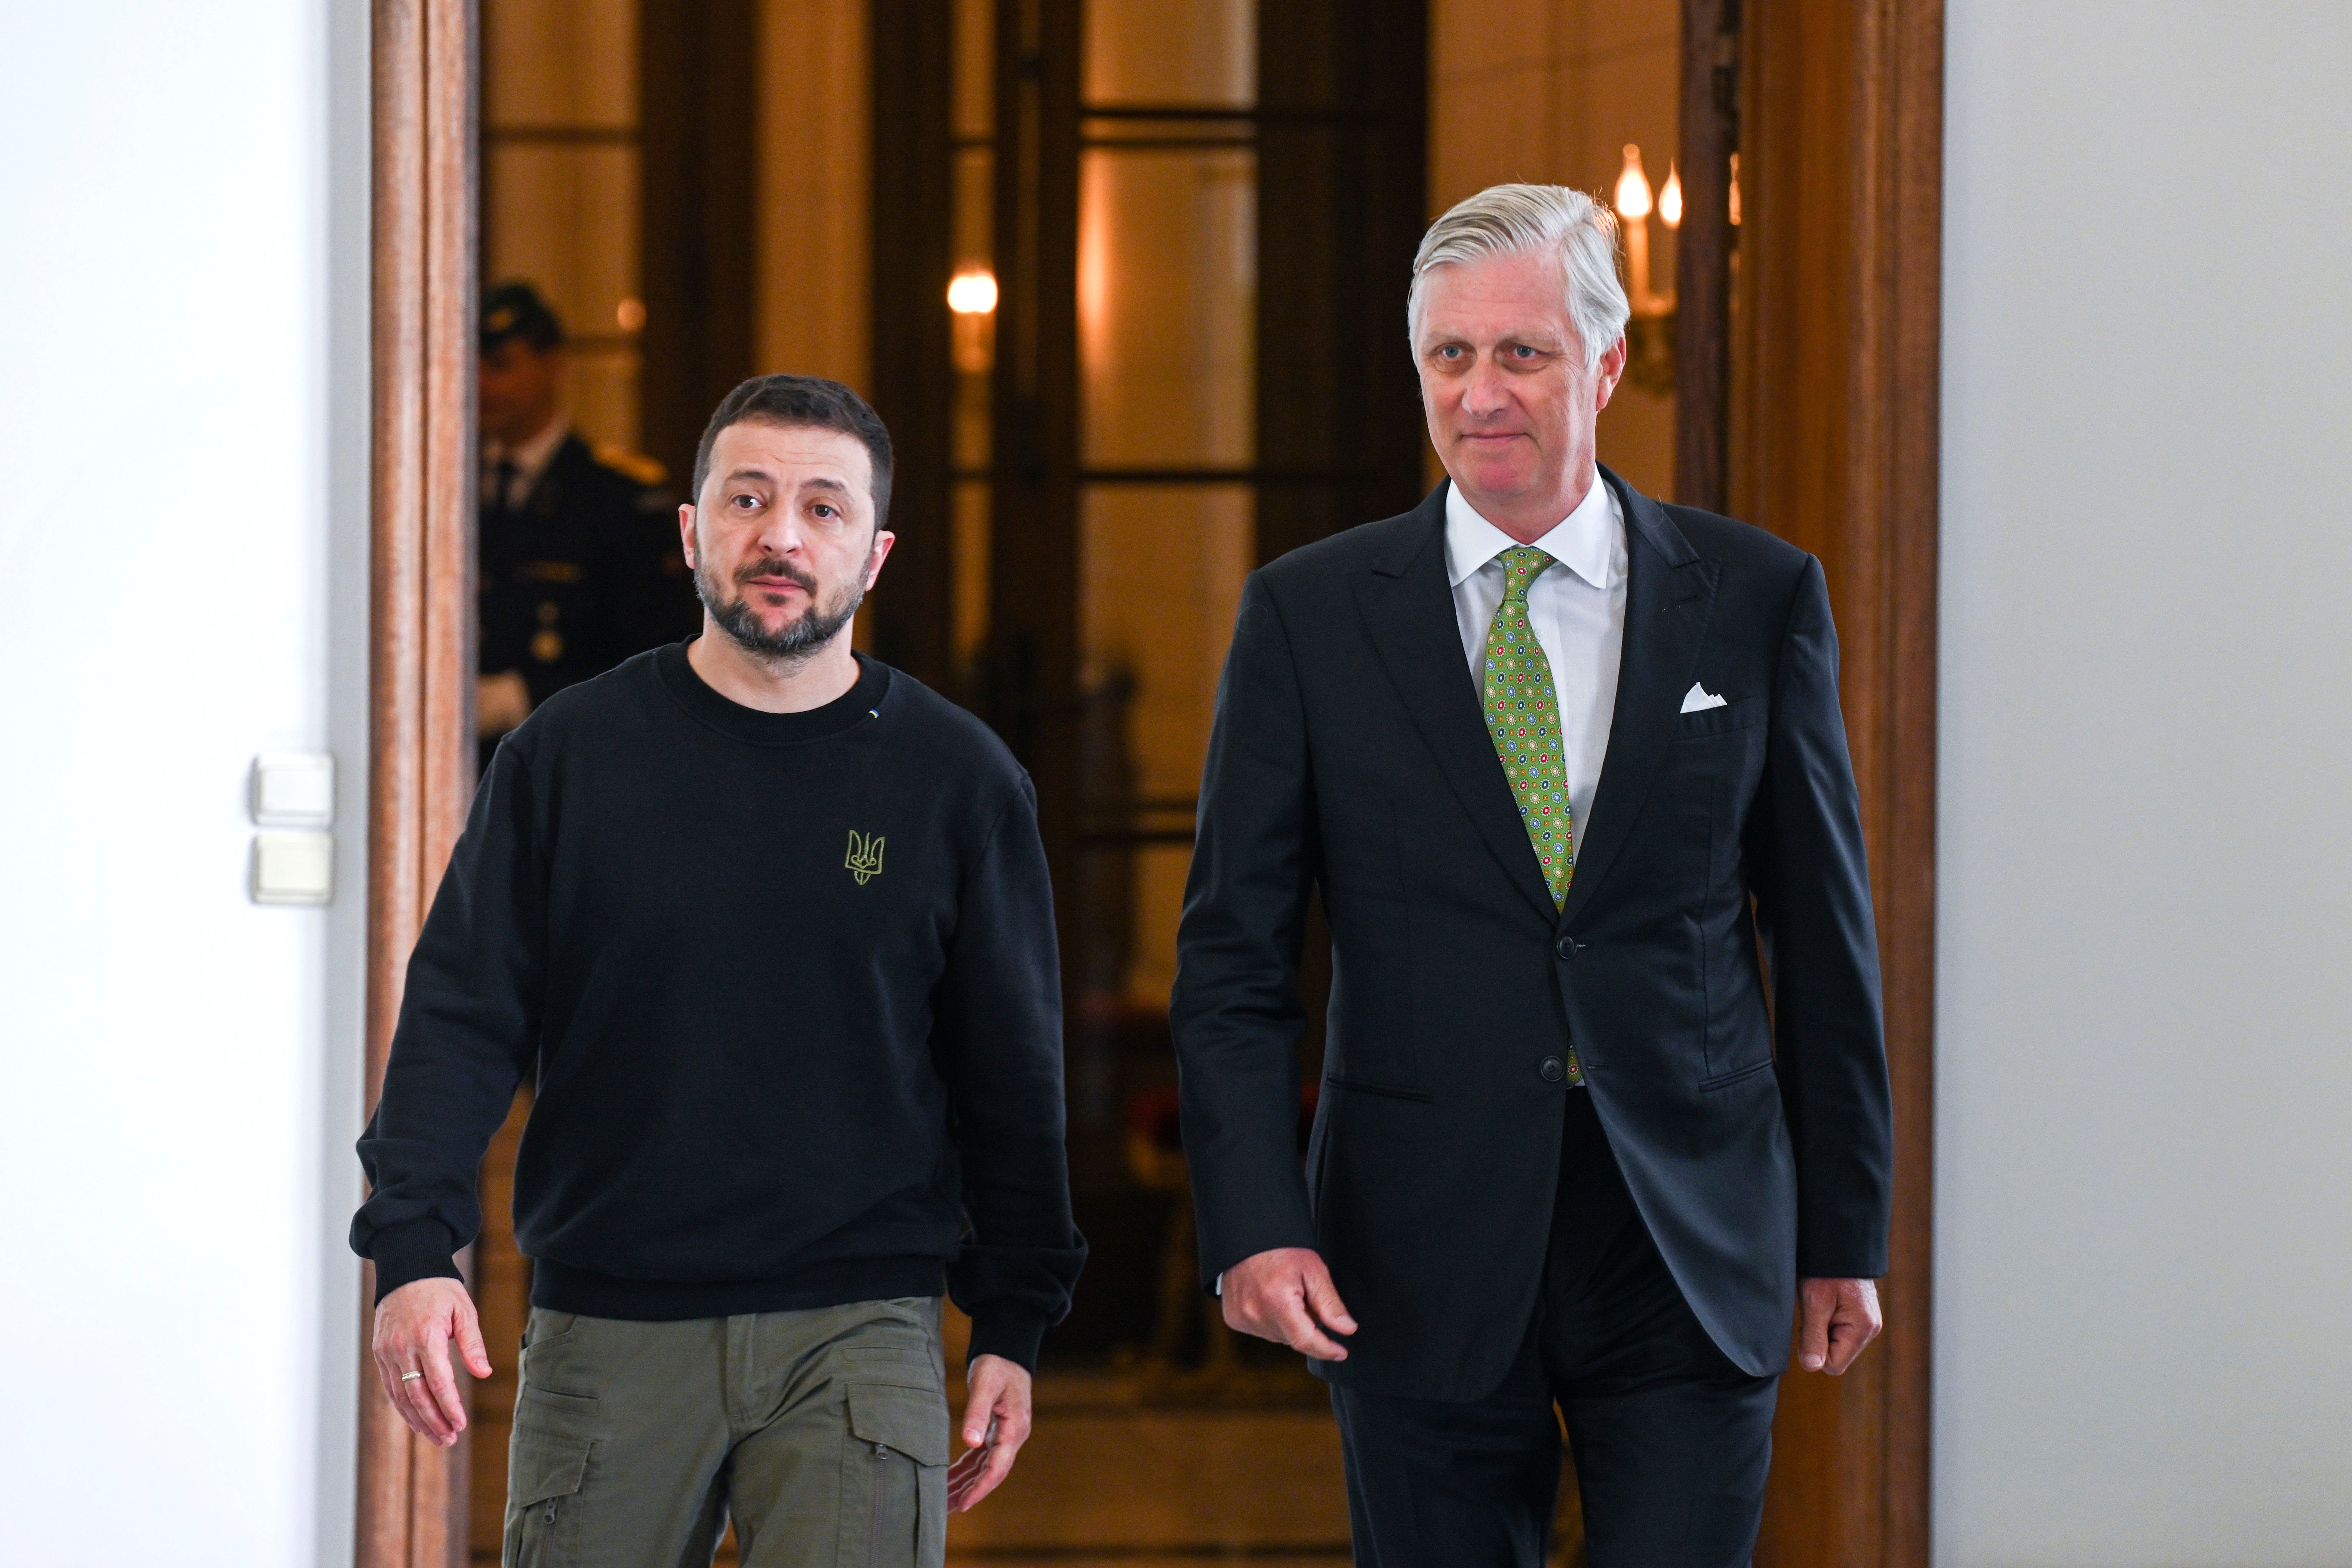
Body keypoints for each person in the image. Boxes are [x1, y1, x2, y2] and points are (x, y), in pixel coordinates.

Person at [1171, 184, 1894, 1567]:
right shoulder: (1308, 617)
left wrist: (1842, 1227)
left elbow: (1824, 938)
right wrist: (1254, 1224)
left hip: (1688, 1232)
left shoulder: (1754, 596)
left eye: (1524, 352)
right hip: (1413, 1240)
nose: (1482, 391)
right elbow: (1233, 964)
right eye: (1451, 354)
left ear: (1607, 365)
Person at [354, 375, 1085, 1565]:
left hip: (860, 1327)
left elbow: (1011, 1070)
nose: (781, 534)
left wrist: (1013, 1317)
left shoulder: (960, 781)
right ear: (692, 531)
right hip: (609, 1320)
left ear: (875, 552)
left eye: (822, 507)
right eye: (746, 499)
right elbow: (460, 1016)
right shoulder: (564, 758)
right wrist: (412, 1249)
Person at [475, 280, 699, 758]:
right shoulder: (452, 486)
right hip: (462, 764)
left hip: (569, 754)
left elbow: (653, 656)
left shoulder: (617, 499)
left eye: (500, 366)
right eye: (470, 366)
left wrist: (521, 697)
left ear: (553, 363)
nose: (481, 385)